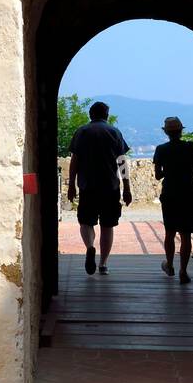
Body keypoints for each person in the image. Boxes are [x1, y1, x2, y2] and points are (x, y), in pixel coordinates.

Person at [66, 101, 132, 276]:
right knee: (107, 225)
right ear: (106, 115)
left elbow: (75, 161)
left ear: (90, 114)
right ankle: (103, 264)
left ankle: (90, 247)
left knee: (86, 222)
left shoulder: (82, 132)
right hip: (110, 186)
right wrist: (126, 187)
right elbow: (122, 162)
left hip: (87, 186)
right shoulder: (114, 132)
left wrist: (71, 185)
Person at [152, 116, 193, 284]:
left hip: (169, 195)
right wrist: (186, 168)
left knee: (170, 232)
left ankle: (169, 265)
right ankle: (183, 270)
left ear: (166, 132)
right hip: (188, 194)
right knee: (186, 235)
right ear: (181, 130)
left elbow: (158, 175)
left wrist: (171, 170)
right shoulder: (190, 147)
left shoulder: (161, 149)